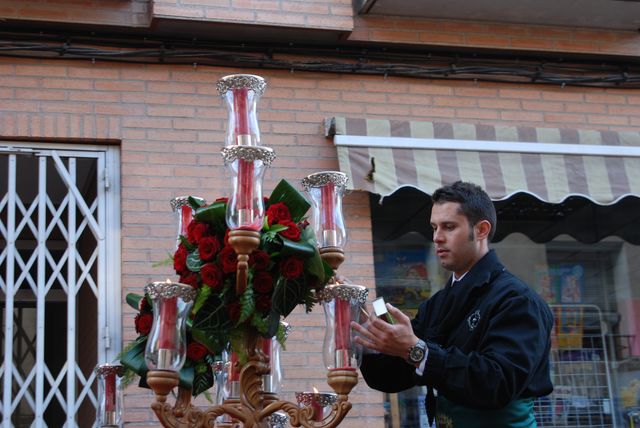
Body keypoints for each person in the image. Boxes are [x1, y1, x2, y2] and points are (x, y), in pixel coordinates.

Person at [352, 181, 554, 428]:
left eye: (448, 227)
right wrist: (361, 325)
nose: (437, 237)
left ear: (481, 230)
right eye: (434, 227)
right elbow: (391, 378)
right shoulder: (437, 304)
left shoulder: (517, 300)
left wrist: (417, 350)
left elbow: (497, 383)